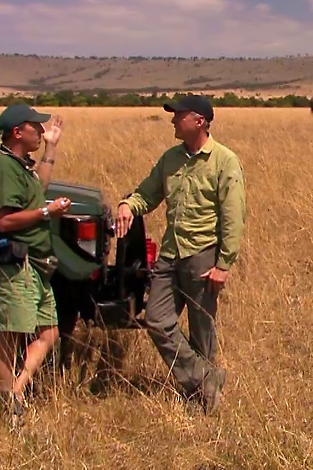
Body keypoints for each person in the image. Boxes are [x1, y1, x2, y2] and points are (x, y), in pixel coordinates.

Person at [115, 94, 246, 414]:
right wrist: (127, 205)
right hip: (171, 253)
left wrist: (224, 263)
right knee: (158, 321)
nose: (173, 120)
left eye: (179, 115)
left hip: (203, 254)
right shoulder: (170, 159)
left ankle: (201, 402)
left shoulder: (224, 161)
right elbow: (147, 194)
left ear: (199, 121)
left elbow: (233, 215)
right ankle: (205, 379)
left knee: (203, 329)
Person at [0, 104, 72, 425]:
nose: (41, 132)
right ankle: (7, 407)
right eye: (36, 128)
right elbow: (4, 220)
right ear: (18, 132)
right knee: (10, 337)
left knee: (49, 334)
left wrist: (51, 149)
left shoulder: (19, 165)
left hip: (35, 264)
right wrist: (47, 213)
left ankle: (14, 395)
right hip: (16, 263)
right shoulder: (3, 169)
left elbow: (38, 190)